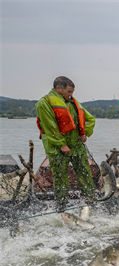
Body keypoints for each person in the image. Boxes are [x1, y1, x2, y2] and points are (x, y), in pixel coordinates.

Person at [35, 76, 97, 209]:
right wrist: (61, 144)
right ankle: (61, 204)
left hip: (76, 144)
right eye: (69, 91)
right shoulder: (44, 103)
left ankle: (90, 199)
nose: (71, 95)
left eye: (72, 92)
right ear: (58, 88)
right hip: (56, 146)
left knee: (85, 171)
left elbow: (89, 118)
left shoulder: (73, 102)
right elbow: (49, 126)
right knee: (60, 175)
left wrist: (85, 133)